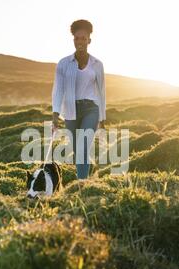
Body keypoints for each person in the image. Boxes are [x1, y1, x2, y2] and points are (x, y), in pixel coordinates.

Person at [51, 19, 106, 179]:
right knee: (78, 150)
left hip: (91, 110)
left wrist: (102, 118)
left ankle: (82, 185)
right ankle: (87, 171)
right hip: (70, 112)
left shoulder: (97, 64)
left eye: (83, 38)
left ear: (89, 40)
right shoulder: (63, 64)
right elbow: (58, 90)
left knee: (82, 146)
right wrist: (55, 114)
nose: (80, 41)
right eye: (77, 38)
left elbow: (101, 92)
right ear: (73, 40)